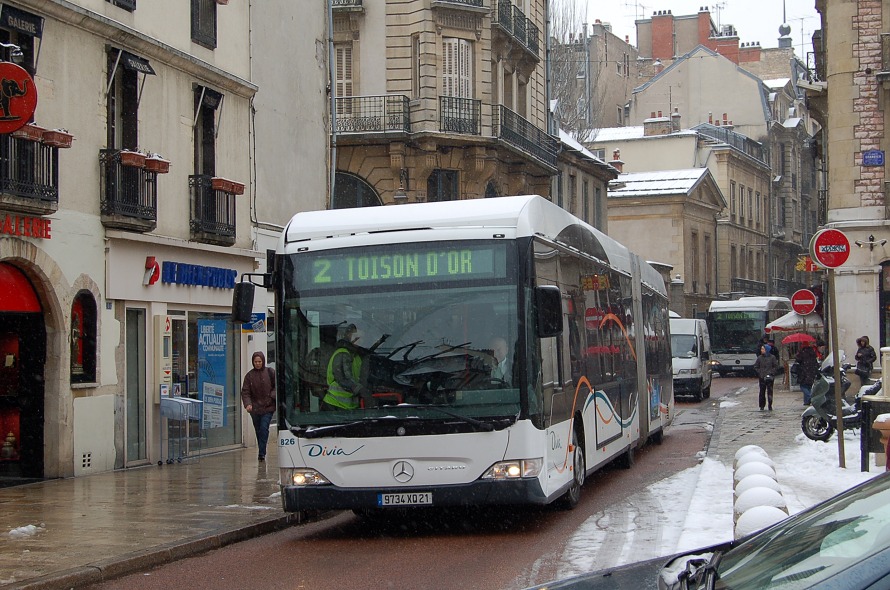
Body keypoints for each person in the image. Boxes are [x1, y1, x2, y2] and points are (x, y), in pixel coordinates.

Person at [322, 324, 385, 410]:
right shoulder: (342, 353)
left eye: (362, 337)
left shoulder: (357, 356)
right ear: (348, 335)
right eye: (356, 336)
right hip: (334, 405)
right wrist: (362, 391)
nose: (359, 340)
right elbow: (343, 379)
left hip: (350, 406)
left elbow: (361, 379)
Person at [240, 351, 276, 461]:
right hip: (255, 409)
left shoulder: (270, 372)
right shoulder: (249, 376)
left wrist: (271, 396)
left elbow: (277, 386)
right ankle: (262, 450)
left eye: (259, 361)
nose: (258, 364)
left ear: (263, 361)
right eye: (255, 362)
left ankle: (262, 453)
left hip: (268, 408)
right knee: (258, 430)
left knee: (264, 428)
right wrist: (248, 404)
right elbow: (245, 392)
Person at [754, 344, 780, 411]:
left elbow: (776, 366)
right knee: (762, 392)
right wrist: (760, 372)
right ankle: (762, 405)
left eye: (763, 349)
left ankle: (770, 405)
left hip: (770, 378)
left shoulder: (772, 357)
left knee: (770, 391)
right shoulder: (759, 358)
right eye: (761, 349)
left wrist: (771, 373)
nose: (761, 350)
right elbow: (756, 366)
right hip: (762, 377)